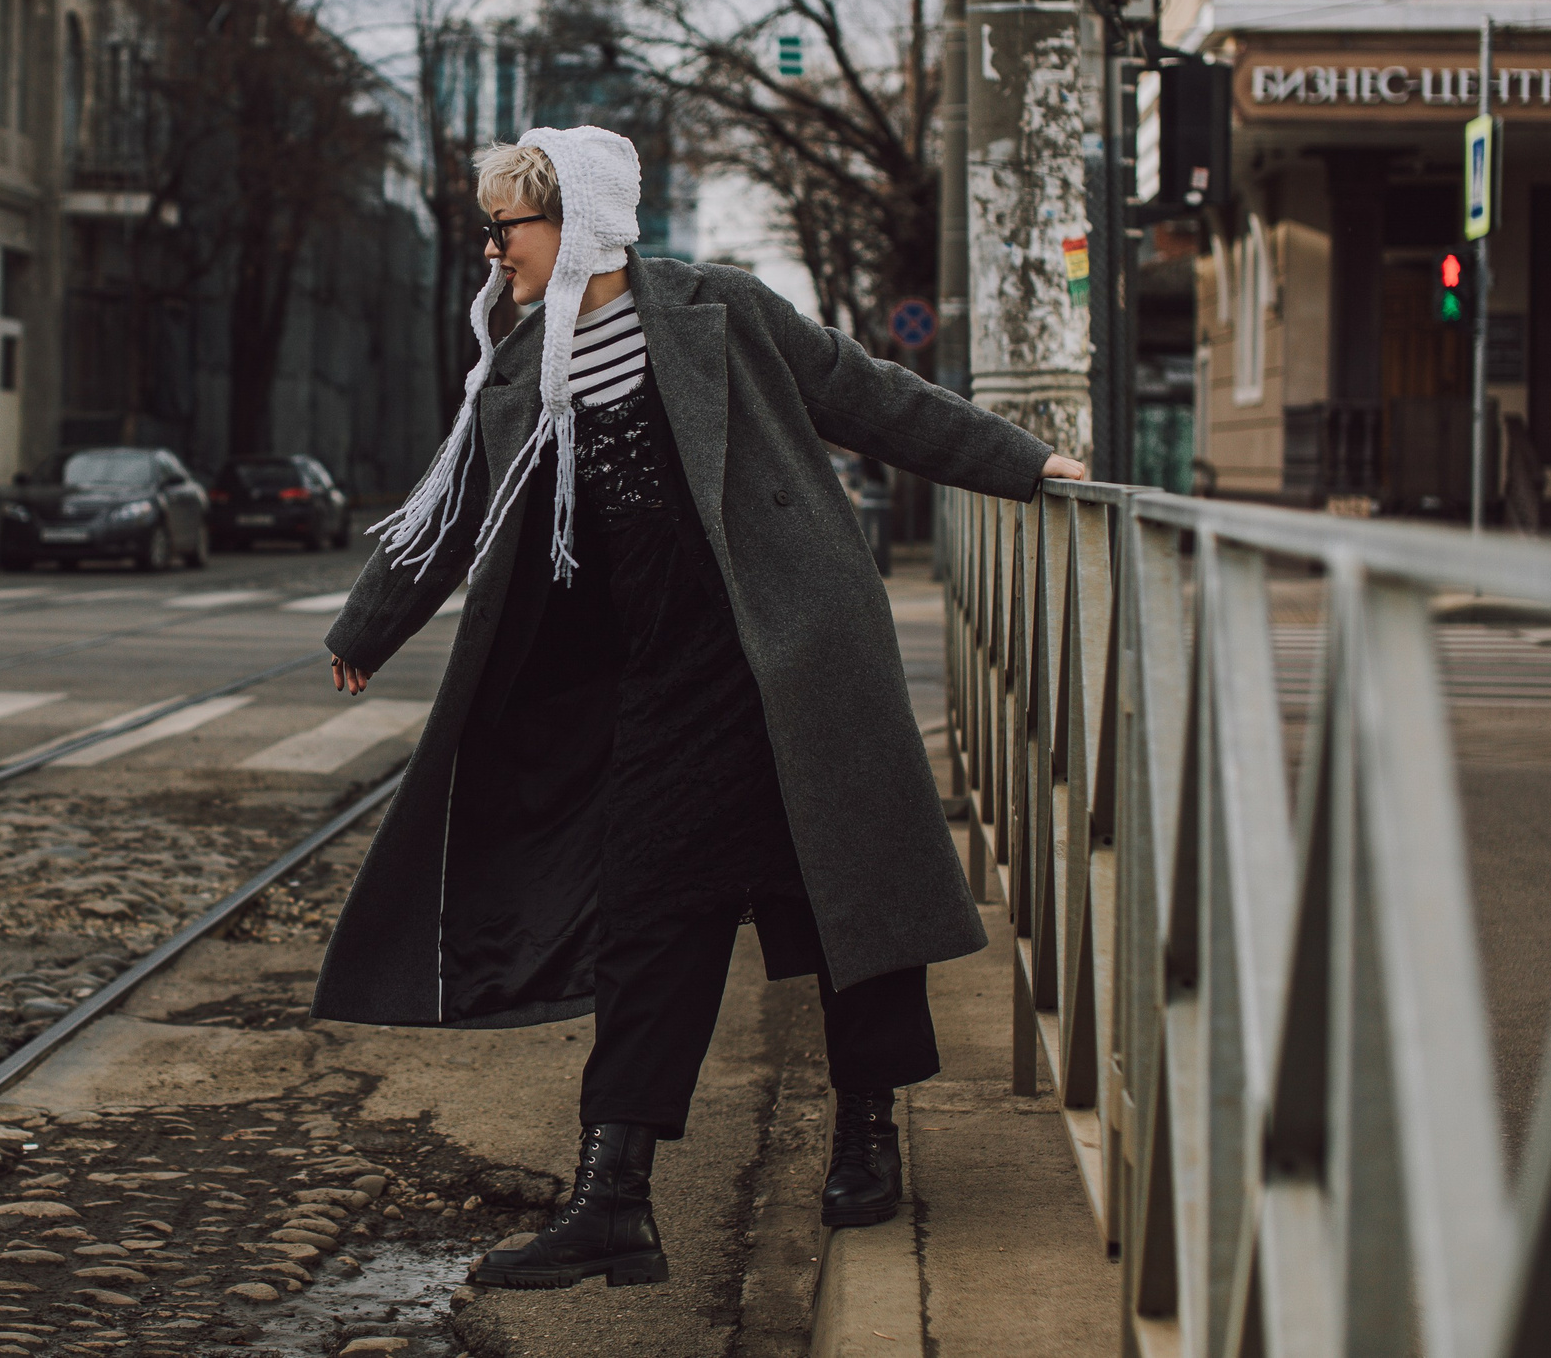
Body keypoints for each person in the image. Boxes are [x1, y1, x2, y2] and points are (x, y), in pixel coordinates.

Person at [315, 127, 1084, 1291]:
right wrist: (366, 628)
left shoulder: (718, 309)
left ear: (574, 222)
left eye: (505, 227)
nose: (491, 249)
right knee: (644, 920)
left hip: (792, 656)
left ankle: (866, 1135)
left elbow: (869, 397)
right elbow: (453, 507)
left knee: (845, 904)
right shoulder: (523, 365)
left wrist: (1027, 464)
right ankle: (611, 1200)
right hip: (663, 688)